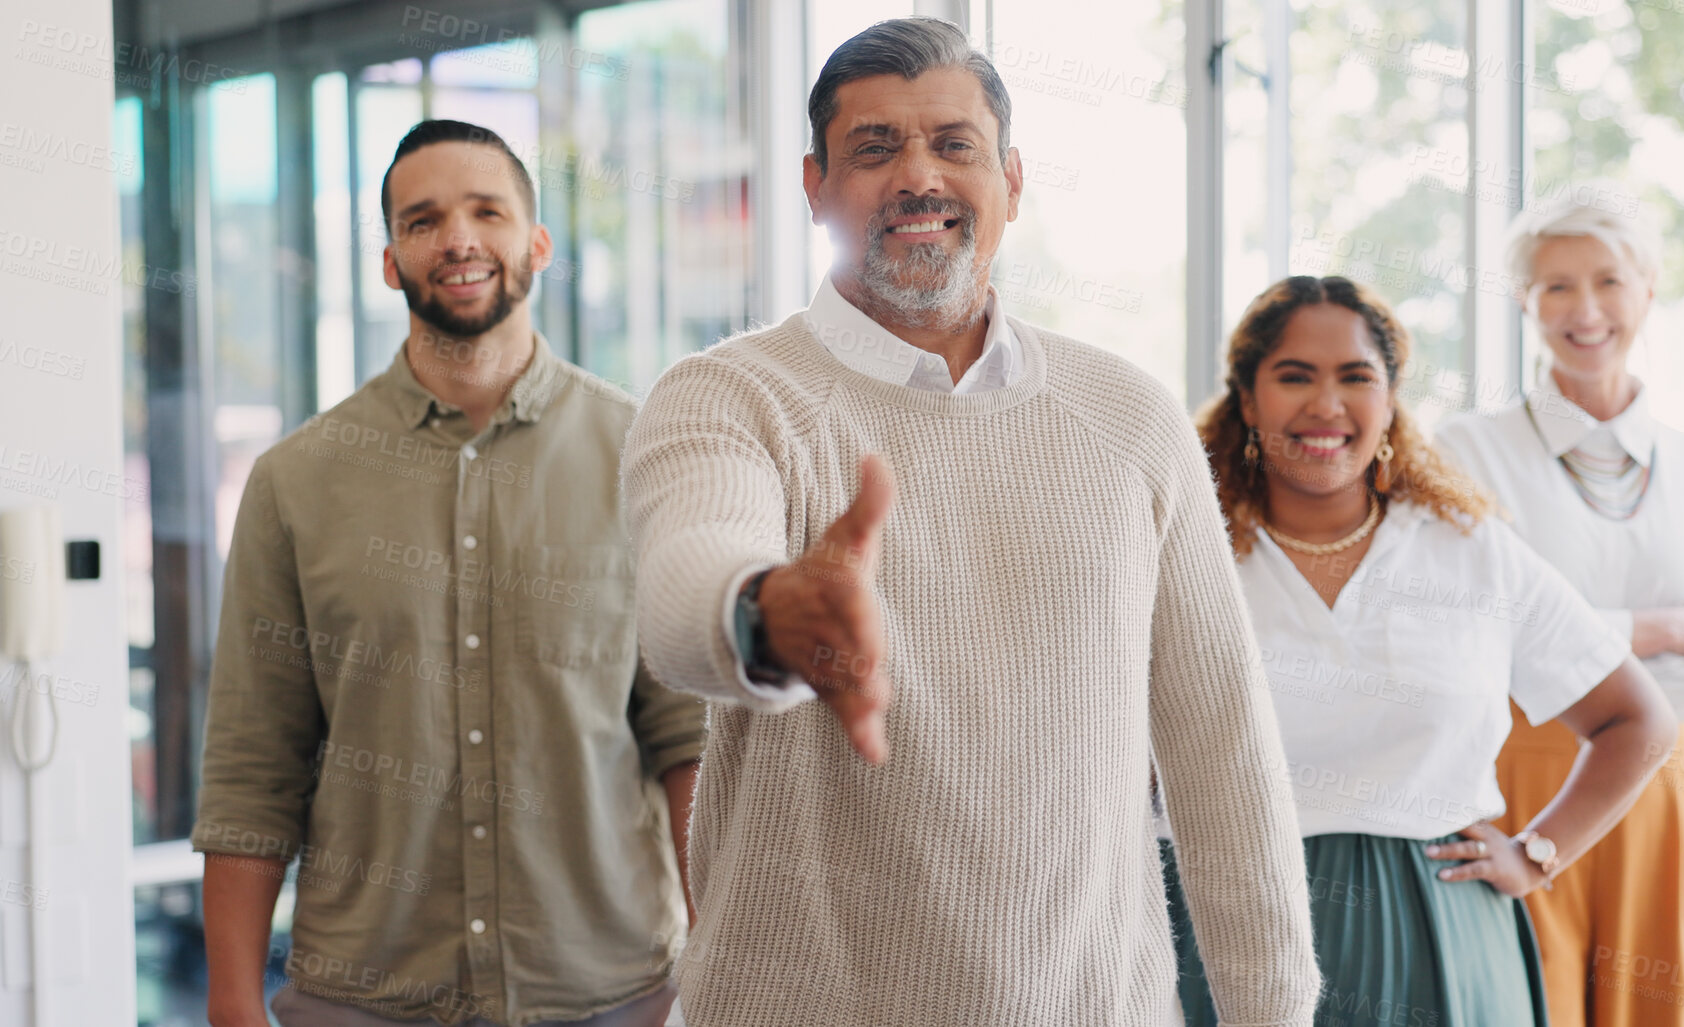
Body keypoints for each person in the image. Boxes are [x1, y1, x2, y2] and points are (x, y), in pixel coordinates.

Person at [621, 17, 1319, 1027]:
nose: (919, 177)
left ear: (1014, 182)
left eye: (954, 145)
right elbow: (688, 580)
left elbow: (1224, 748)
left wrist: (1276, 1012)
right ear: (814, 187)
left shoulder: (1128, 415)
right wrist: (766, 612)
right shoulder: (726, 396)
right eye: (874, 149)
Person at [194, 120, 706, 1027]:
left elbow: (689, 742)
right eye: (423, 220)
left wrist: (722, 971)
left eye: (487, 211)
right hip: (363, 997)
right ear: (391, 261)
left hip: (610, 994)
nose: (458, 239)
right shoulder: (295, 482)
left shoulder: (643, 455)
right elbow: (251, 769)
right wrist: (232, 1004)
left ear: (536, 242)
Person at [1170, 274, 1679, 1025]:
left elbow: (1639, 721)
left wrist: (1537, 853)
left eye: (1355, 377)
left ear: (1389, 400)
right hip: (1223, 928)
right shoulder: (1181, 549)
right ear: (1247, 398)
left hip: (1440, 935)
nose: (1324, 405)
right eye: (1293, 376)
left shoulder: (1469, 551)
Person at [1437, 198, 1684, 1026]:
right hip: (1513, 790)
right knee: (1522, 1003)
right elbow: (1467, 630)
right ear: (1523, 301)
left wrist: (1570, 641)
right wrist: (1660, 626)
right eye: (1555, 286)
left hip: (1661, 796)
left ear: (1648, 290)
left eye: (1608, 281)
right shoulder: (1465, 450)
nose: (1584, 311)